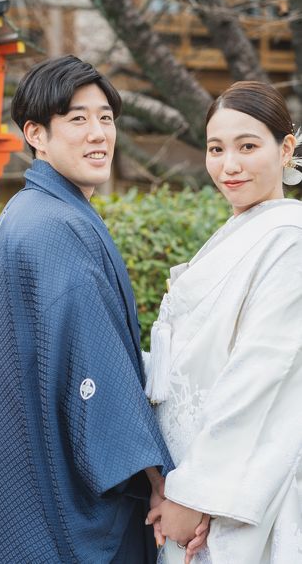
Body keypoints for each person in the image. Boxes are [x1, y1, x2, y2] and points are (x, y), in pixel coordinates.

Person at [0, 55, 174, 563]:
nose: (98, 134)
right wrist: (156, 478)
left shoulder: (33, 210)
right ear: (36, 134)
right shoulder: (52, 226)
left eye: (105, 118)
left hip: (30, 478)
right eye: (78, 119)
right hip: (61, 502)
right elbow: (93, 365)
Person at [146, 80, 302, 563]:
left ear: (286, 149)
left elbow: (257, 371)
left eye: (247, 146)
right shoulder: (244, 228)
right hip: (194, 472)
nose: (229, 165)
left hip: (233, 487)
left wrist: (194, 494)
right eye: (216, 149)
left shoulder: (289, 239)